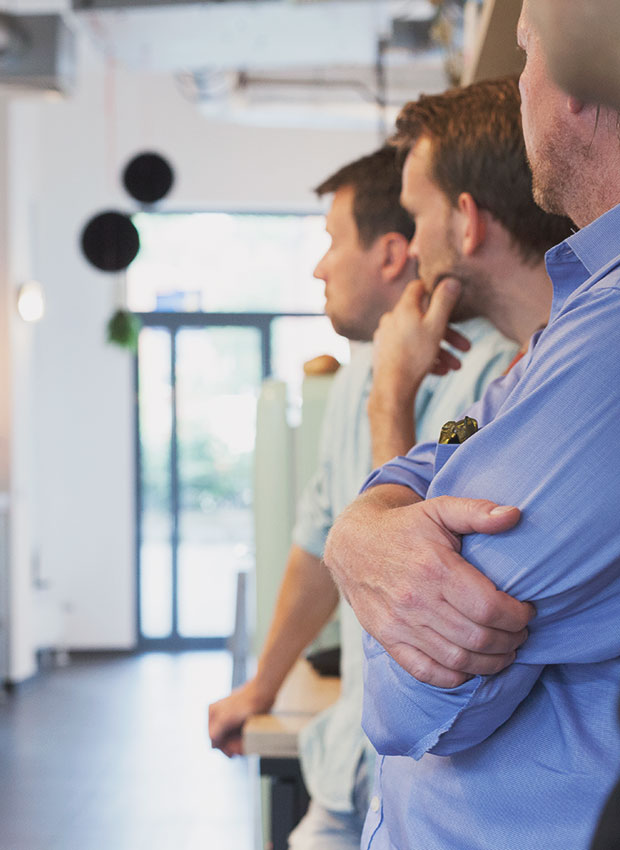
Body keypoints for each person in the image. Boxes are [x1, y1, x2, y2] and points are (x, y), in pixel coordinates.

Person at [324, 16, 620, 848]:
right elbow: (424, 475)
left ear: (578, 86)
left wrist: (368, 532)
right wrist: (363, 532)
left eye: (527, 53)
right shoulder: (561, 336)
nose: (405, 246)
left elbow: (412, 699)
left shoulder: (605, 340)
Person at [207, 146, 520, 849]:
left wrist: (394, 397)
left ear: (389, 252)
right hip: (347, 765)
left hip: (436, 774)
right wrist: (261, 688)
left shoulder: (497, 371)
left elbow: (423, 571)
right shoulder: (359, 375)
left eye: (329, 243)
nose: (320, 268)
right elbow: (319, 546)